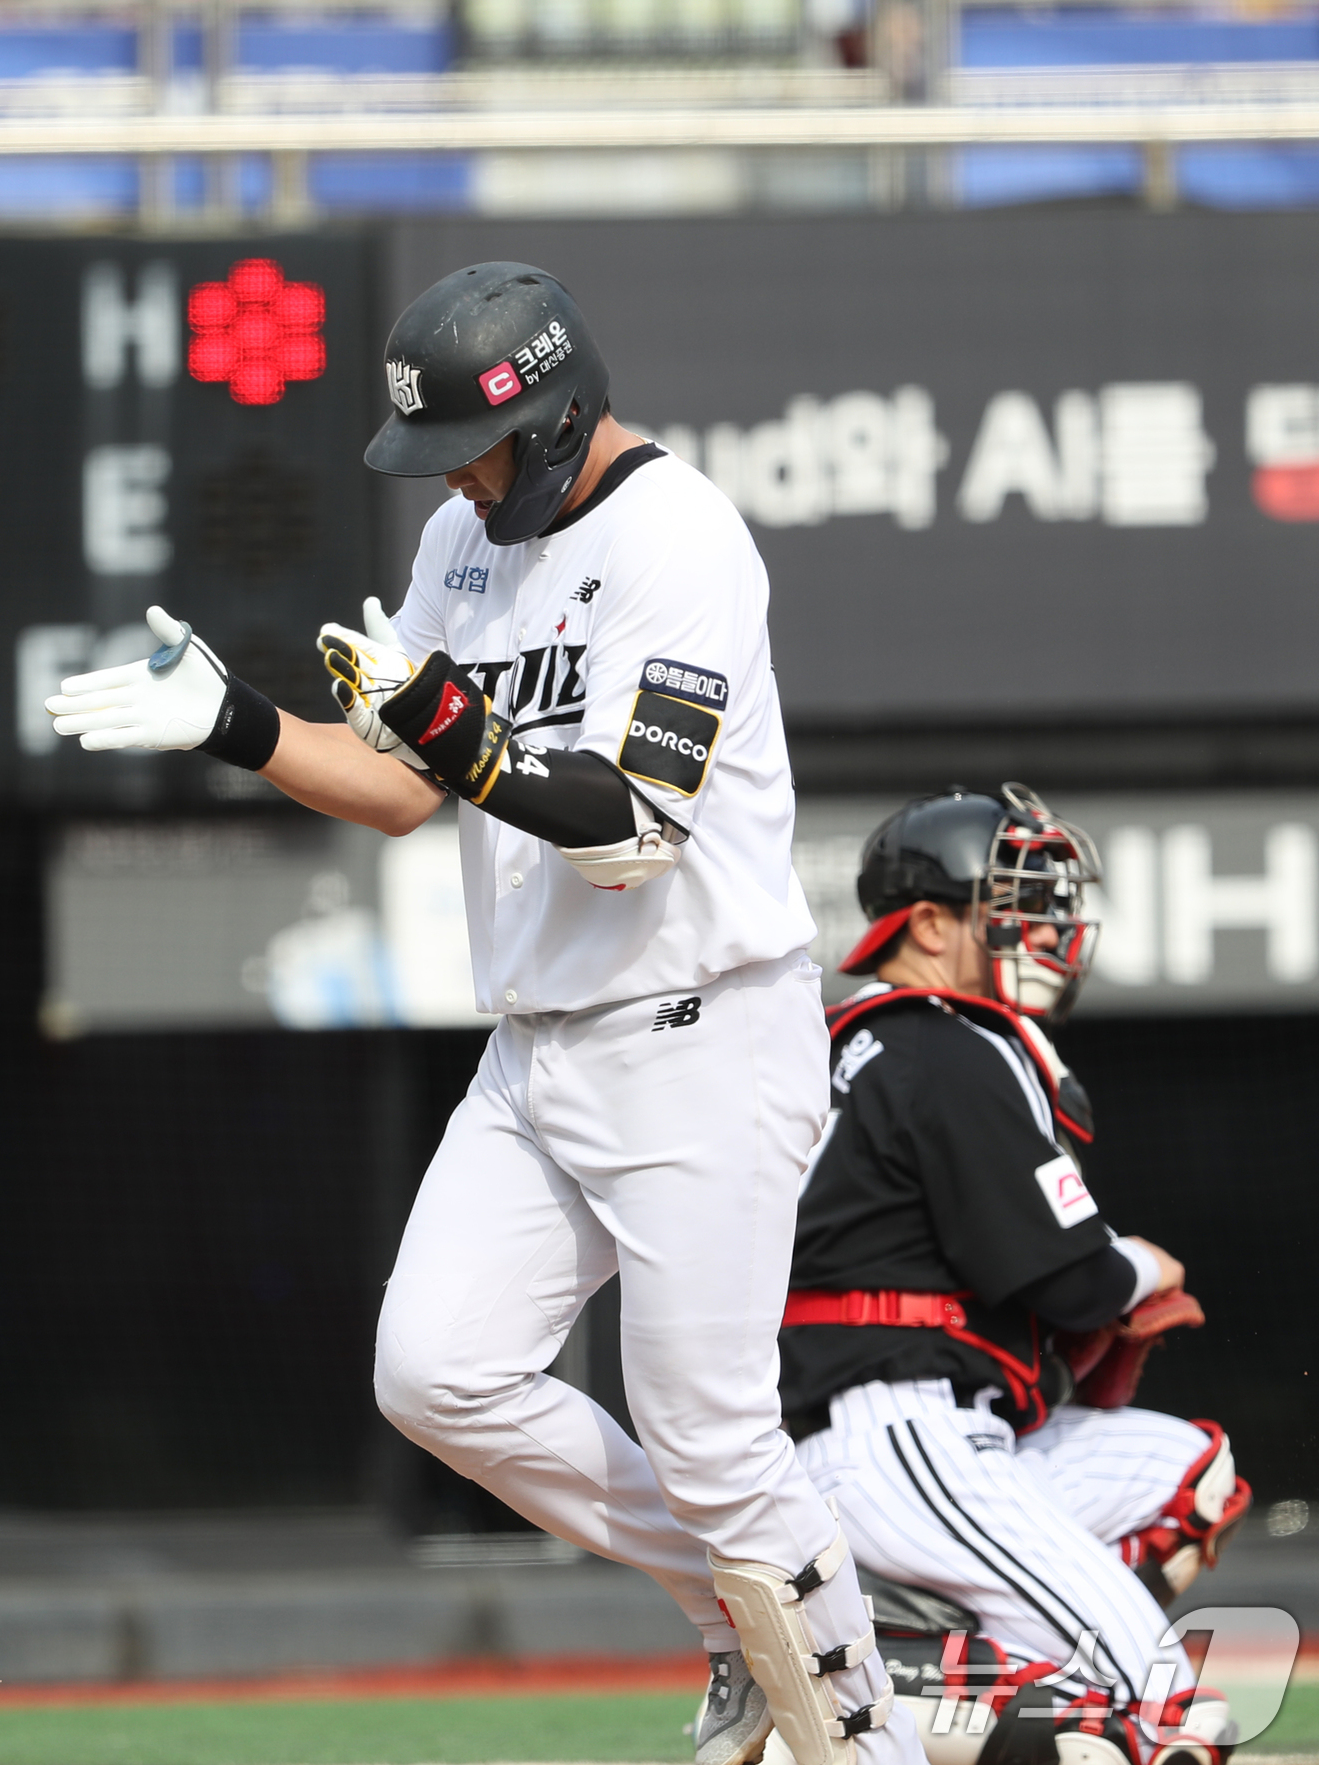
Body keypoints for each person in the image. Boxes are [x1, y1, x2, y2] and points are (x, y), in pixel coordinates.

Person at [46, 262, 927, 1765]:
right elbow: (405, 787)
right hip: (539, 1050)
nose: (455, 471)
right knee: (438, 1371)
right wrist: (239, 723)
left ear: (561, 404)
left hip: (699, 1034)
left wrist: (462, 735)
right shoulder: (464, 538)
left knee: (715, 1443)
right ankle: (745, 1612)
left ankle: (861, 1735)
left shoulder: (679, 531)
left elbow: (638, 821)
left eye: (476, 439)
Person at [778, 785, 1252, 1765]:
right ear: (926, 923)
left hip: (934, 1427)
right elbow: (1072, 1277)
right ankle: (868, 1687)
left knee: (1188, 1476)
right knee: (1172, 1723)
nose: (1040, 923)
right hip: (899, 1432)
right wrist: (1139, 1265)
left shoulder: (875, 1037)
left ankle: (943, 1657)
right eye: (1009, 900)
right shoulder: (938, 1039)